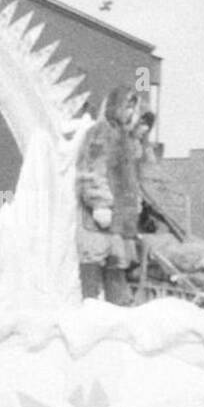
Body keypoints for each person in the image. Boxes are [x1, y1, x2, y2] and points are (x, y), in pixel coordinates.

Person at [77, 88, 143, 304]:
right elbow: (91, 171)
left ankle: (117, 317)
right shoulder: (99, 133)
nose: (130, 112)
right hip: (99, 218)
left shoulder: (125, 138)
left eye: (133, 108)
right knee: (94, 263)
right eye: (127, 106)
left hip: (119, 219)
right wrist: (99, 204)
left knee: (117, 265)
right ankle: (90, 310)